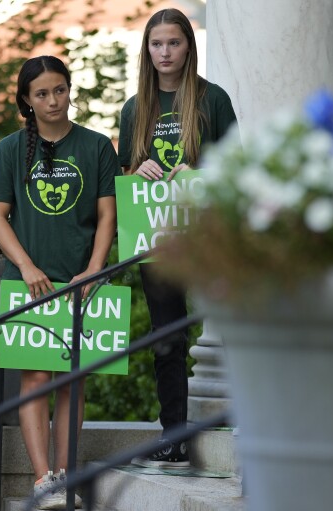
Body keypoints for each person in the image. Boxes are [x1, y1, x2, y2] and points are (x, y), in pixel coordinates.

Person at [0, 55, 119, 509]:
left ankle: (68, 476)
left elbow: (106, 214)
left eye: (59, 90)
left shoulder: (97, 146)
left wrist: (96, 266)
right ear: (27, 100)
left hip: (83, 280)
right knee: (37, 377)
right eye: (41, 93)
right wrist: (24, 265)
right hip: (29, 283)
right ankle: (44, 481)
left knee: (72, 380)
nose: (52, 100)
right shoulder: (7, 149)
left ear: (69, 90)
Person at [117, 8, 237, 468]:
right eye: (156, 44)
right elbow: (125, 179)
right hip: (157, 235)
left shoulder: (213, 100)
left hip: (207, 233)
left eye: (173, 43)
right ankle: (174, 434)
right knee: (166, 335)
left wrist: (198, 171)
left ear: (189, 46)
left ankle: (249, 416)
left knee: (233, 320)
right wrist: (137, 167)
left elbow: (234, 166)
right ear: (146, 50)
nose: (164, 53)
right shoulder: (136, 108)